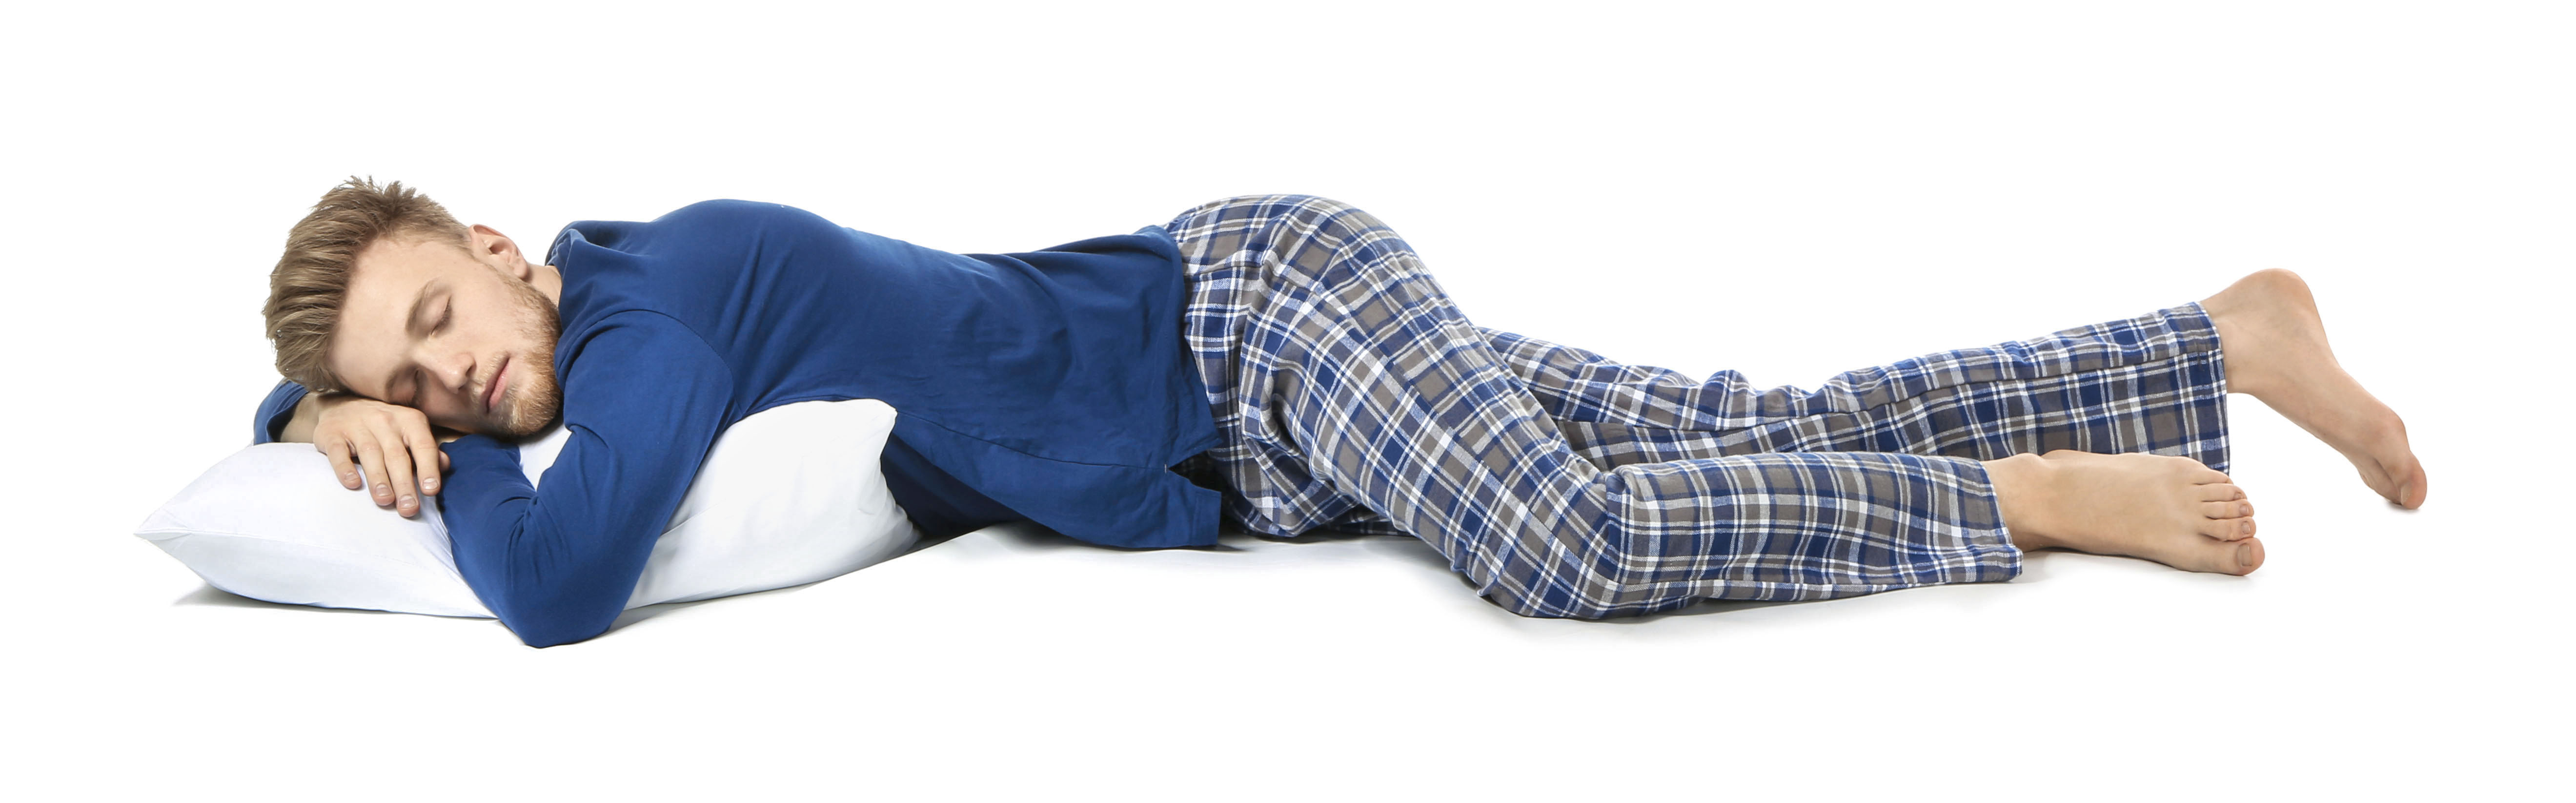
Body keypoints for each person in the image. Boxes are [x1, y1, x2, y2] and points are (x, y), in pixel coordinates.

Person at [252, 178, 2427, 647]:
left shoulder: (659, 300)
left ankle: (2016, 495)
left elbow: (550, 583)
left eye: (440, 321)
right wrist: (291, 418)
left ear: (509, 246)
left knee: (1564, 549)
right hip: (1261, 444)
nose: (451, 385)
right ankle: (2214, 337)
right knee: (1719, 426)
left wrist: (381, 456)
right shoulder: (593, 324)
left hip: (1255, 320)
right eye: (405, 386)